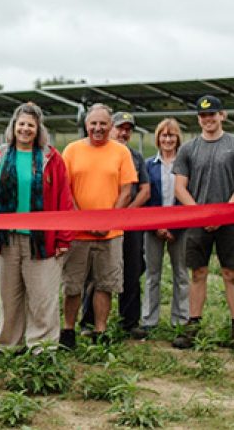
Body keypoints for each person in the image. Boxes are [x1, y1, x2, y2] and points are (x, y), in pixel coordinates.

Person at [0, 102, 73, 353]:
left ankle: (41, 345)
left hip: (41, 238)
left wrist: (64, 238)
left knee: (43, 296)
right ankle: (7, 344)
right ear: (13, 126)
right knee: (9, 295)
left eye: (30, 125)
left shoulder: (51, 159)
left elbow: (64, 199)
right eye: (21, 124)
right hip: (7, 239)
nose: (25, 129)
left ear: (38, 129)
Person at [172, 95, 234, 353]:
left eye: (213, 114)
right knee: (198, 273)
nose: (208, 119)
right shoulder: (188, 149)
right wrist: (200, 215)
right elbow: (179, 187)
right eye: (203, 115)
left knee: (231, 274)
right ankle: (193, 325)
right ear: (199, 119)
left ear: (223, 116)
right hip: (198, 222)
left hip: (229, 222)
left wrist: (221, 215)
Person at [59, 104, 137, 348]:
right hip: (78, 233)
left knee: (105, 284)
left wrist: (108, 220)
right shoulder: (71, 150)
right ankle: (68, 331)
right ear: (86, 125)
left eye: (103, 124)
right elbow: (65, 190)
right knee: (73, 284)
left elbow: (127, 190)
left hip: (110, 233)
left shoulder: (121, 153)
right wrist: (82, 219)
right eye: (93, 123)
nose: (98, 128)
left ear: (110, 126)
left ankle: (100, 331)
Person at [141, 118, 190, 333]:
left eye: (172, 135)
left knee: (181, 274)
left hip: (181, 229)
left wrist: (175, 228)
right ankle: (149, 320)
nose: (168, 139)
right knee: (152, 274)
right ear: (158, 138)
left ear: (178, 138)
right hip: (153, 229)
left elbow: (188, 196)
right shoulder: (148, 165)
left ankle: (180, 319)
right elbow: (145, 198)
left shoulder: (186, 165)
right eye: (164, 135)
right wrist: (157, 226)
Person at [111, 112, 151, 339]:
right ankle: (91, 321)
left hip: (131, 224)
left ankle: (129, 321)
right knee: (97, 271)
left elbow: (145, 190)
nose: (124, 133)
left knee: (133, 270)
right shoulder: (103, 154)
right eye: (120, 128)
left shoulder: (136, 157)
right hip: (104, 222)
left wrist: (128, 213)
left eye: (128, 129)